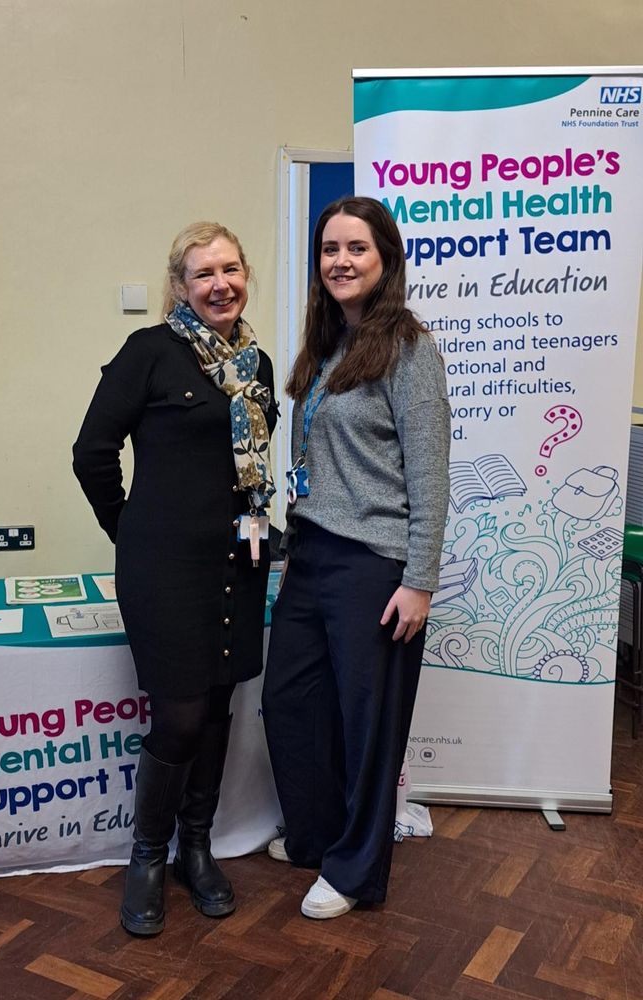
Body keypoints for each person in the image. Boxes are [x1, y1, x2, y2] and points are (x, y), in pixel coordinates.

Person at [73, 222, 277, 935]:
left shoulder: (257, 363)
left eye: (230, 269)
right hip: (164, 568)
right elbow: (91, 451)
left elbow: (253, 468)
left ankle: (197, 848)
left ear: (245, 275)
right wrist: (128, 530)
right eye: (203, 273)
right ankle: (148, 855)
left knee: (218, 707)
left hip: (236, 563)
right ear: (179, 286)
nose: (220, 284)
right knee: (180, 714)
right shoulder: (149, 352)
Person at [262, 196, 450, 919]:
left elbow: (430, 473)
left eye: (356, 248)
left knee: (369, 725)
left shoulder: (409, 349)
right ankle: (315, 836)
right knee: (291, 703)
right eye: (329, 249)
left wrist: (419, 580)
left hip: (374, 562)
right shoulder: (327, 345)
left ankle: (355, 871)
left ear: (385, 259)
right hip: (311, 553)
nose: (340, 261)